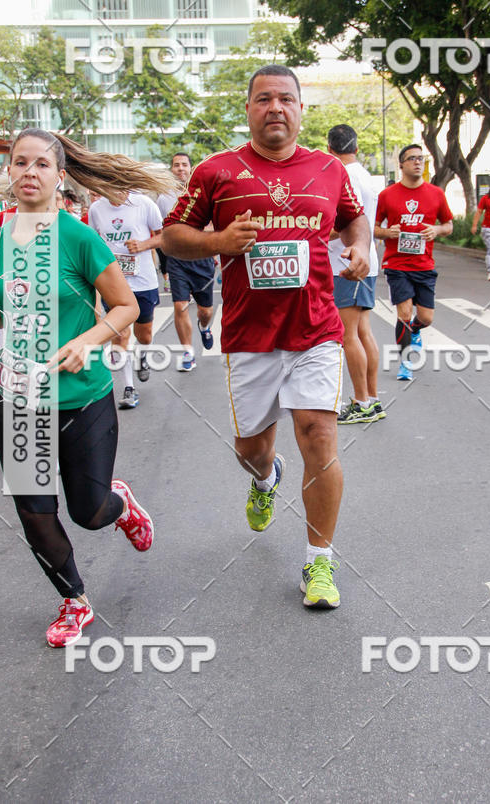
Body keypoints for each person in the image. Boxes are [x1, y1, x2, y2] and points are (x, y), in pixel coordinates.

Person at [162, 64, 370, 609]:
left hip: (316, 328)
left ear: (301, 108)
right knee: (252, 450)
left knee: (318, 435)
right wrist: (218, 242)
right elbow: (172, 236)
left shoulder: (329, 168)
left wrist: (361, 247)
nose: (275, 107)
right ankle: (265, 478)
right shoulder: (216, 171)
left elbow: (353, 219)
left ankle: (319, 562)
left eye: (285, 98)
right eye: (263, 99)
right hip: (249, 334)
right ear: (249, 109)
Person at [0, 128, 175, 646]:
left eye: (41, 164)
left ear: (59, 176)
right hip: (17, 398)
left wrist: (87, 341)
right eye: (20, 162)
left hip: (81, 395)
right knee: (33, 511)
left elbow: (126, 306)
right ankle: (73, 600)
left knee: (88, 512)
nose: (29, 172)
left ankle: (120, 504)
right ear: (8, 171)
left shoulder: (78, 237)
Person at [375, 143, 453, 381]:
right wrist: (387, 233)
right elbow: (373, 227)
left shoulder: (436, 194)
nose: (418, 162)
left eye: (421, 158)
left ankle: (415, 333)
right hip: (396, 265)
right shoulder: (387, 195)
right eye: (412, 158)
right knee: (405, 313)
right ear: (401, 165)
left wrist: (436, 230)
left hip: (424, 265)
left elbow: (449, 225)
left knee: (426, 318)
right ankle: (405, 362)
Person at [327, 124, 383, 423]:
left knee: (348, 335)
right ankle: (372, 400)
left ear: (329, 149)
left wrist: (314, 234)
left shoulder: (342, 176)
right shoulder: (366, 177)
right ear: (356, 148)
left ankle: (362, 403)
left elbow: (344, 226)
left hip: (346, 264)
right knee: (363, 332)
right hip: (366, 260)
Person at [89, 190, 163, 408]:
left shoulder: (144, 203)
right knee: (120, 334)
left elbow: (163, 236)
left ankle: (143, 356)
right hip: (113, 283)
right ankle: (129, 388)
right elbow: (92, 243)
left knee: (144, 335)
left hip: (143, 281)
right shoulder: (96, 209)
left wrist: (143, 245)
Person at [156, 152, 215, 371]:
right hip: (177, 260)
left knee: (205, 311)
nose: (180, 168)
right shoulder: (164, 198)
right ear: (171, 169)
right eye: (176, 165)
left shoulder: (203, 192)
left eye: (184, 164)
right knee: (180, 306)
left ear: (191, 168)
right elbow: (162, 233)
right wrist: (164, 267)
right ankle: (188, 353)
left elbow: (214, 226)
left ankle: (204, 327)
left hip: (201, 259)